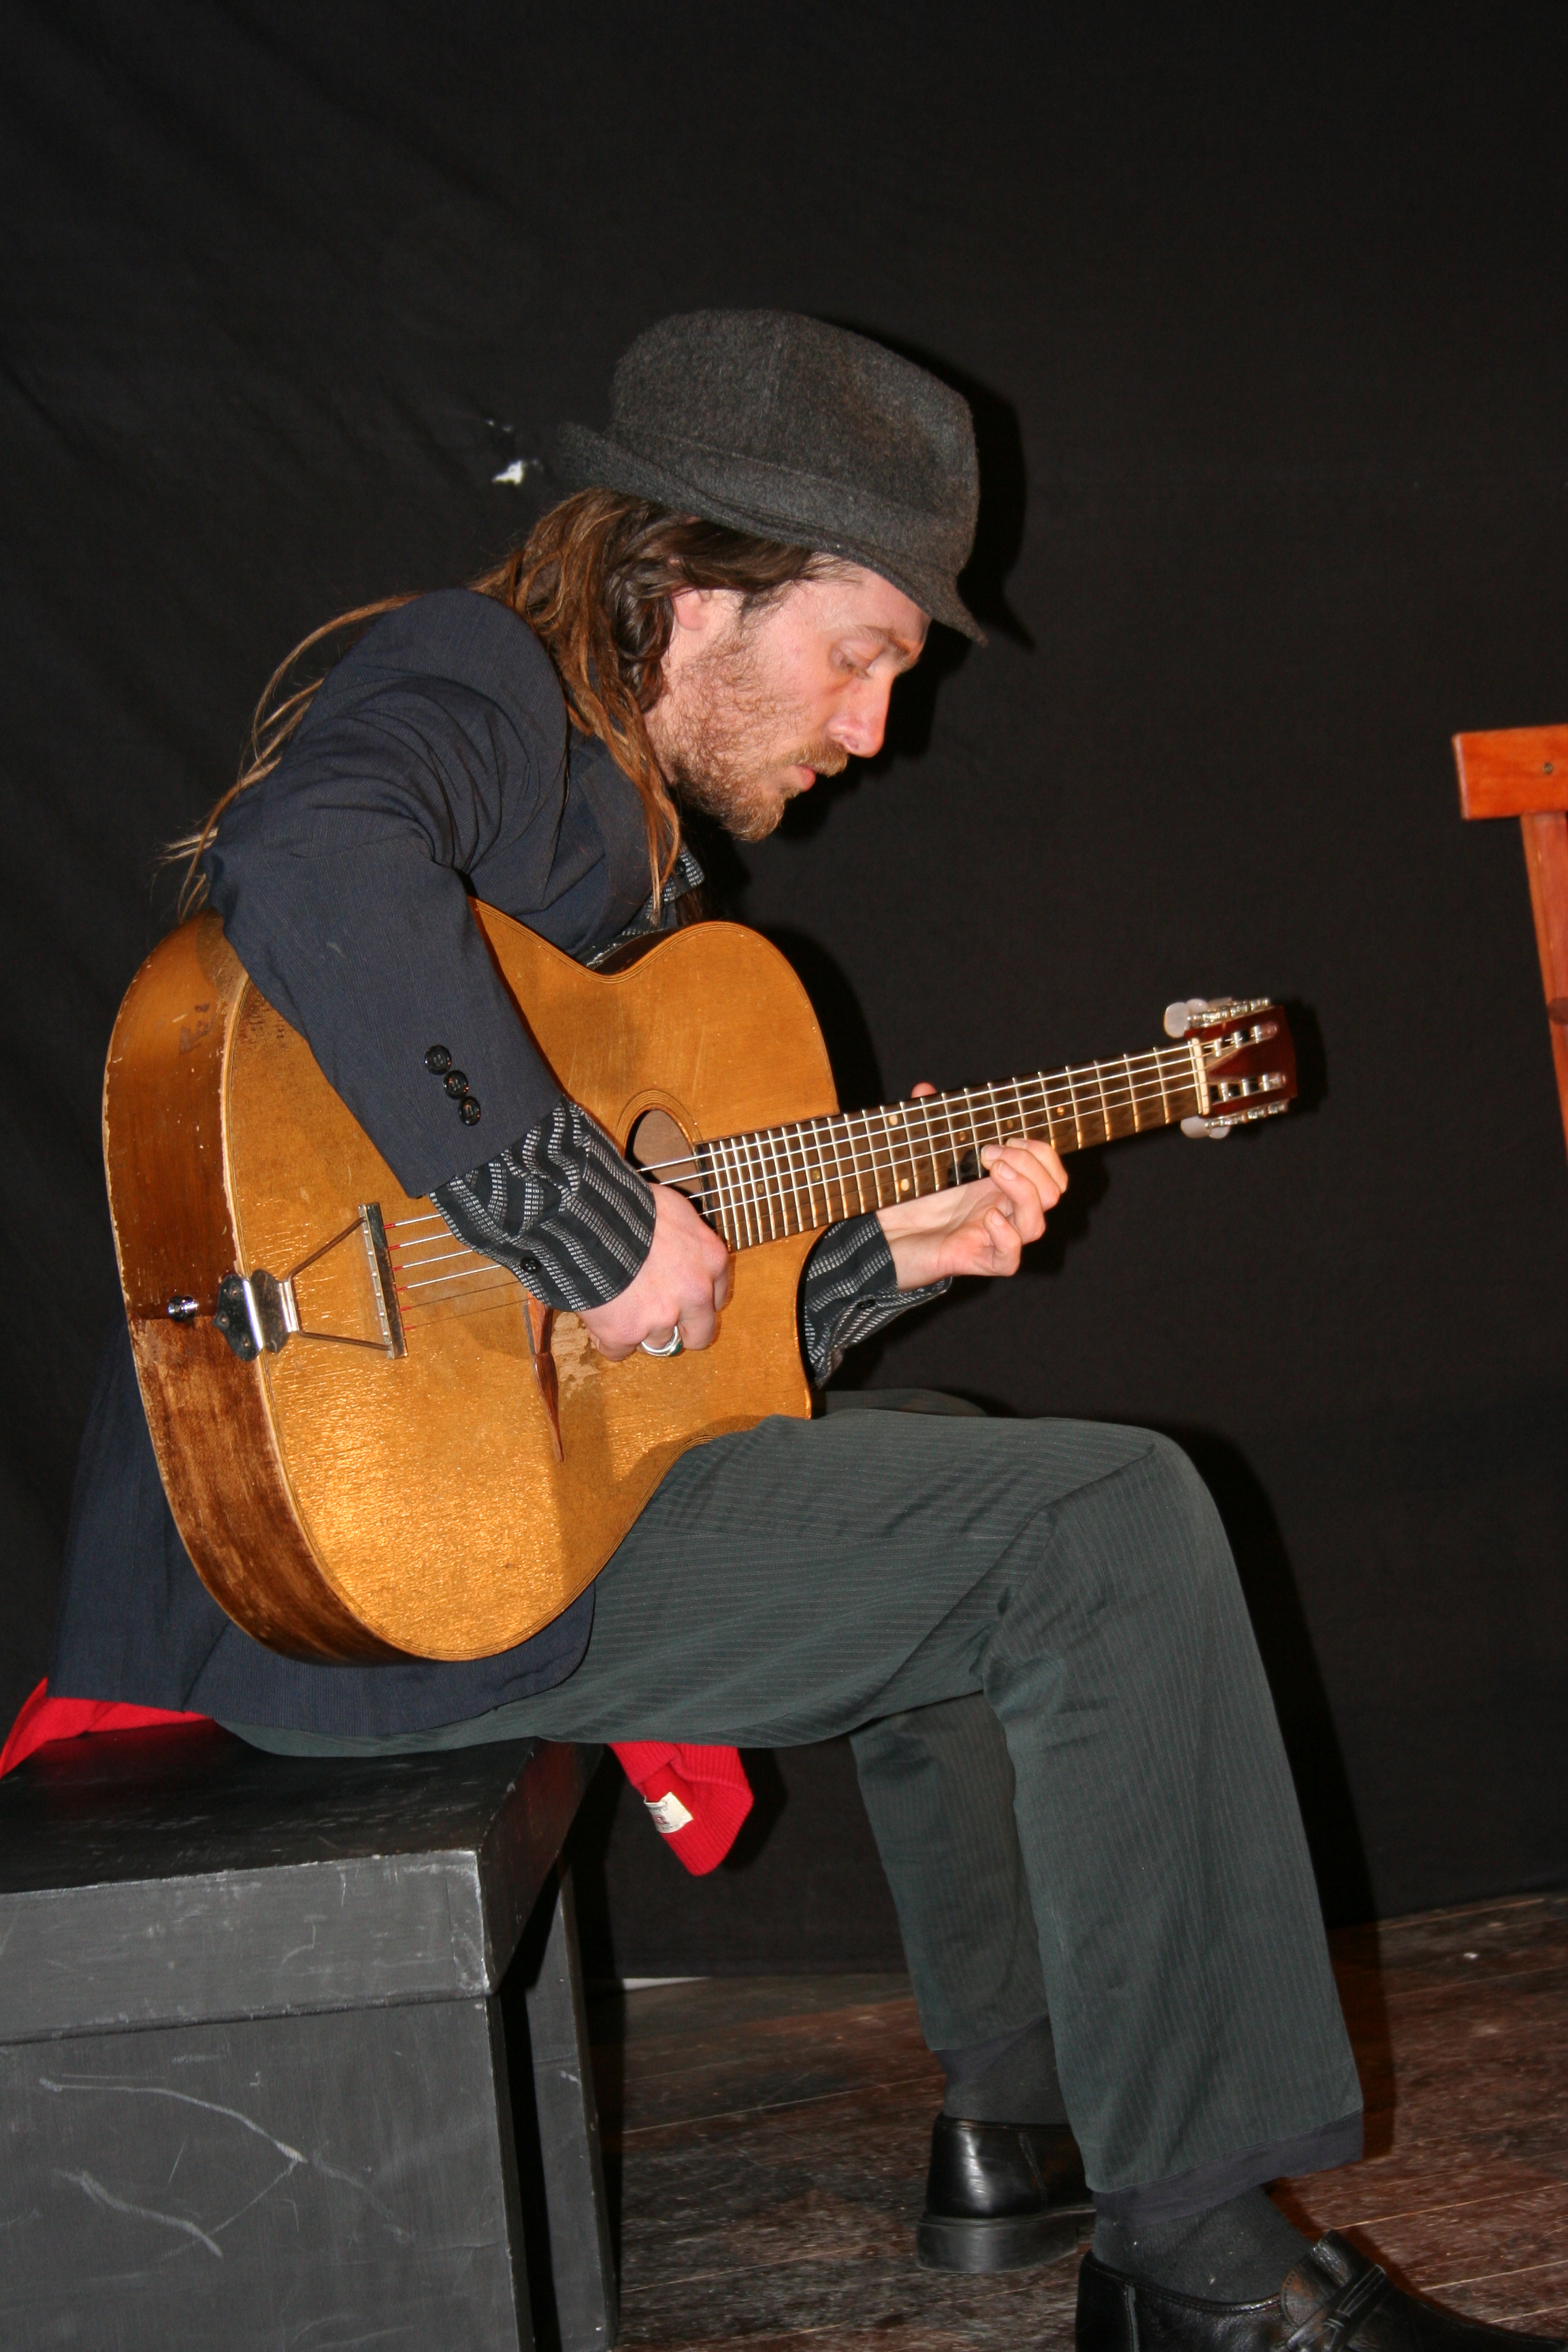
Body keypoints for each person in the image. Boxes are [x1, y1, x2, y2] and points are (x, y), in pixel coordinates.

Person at [46, 310, 1558, 2352]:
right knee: (1101, 1524)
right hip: (334, 1570)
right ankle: (1208, 2262)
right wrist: (582, 1220)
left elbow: (660, 1376)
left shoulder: (628, 879)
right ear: (687, 582)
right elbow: (309, 858)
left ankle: (1018, 2128)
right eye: (862, 652)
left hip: (468, 1526)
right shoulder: (478, 683)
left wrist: (881, 1257)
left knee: (950, 1484)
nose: (873, 728)